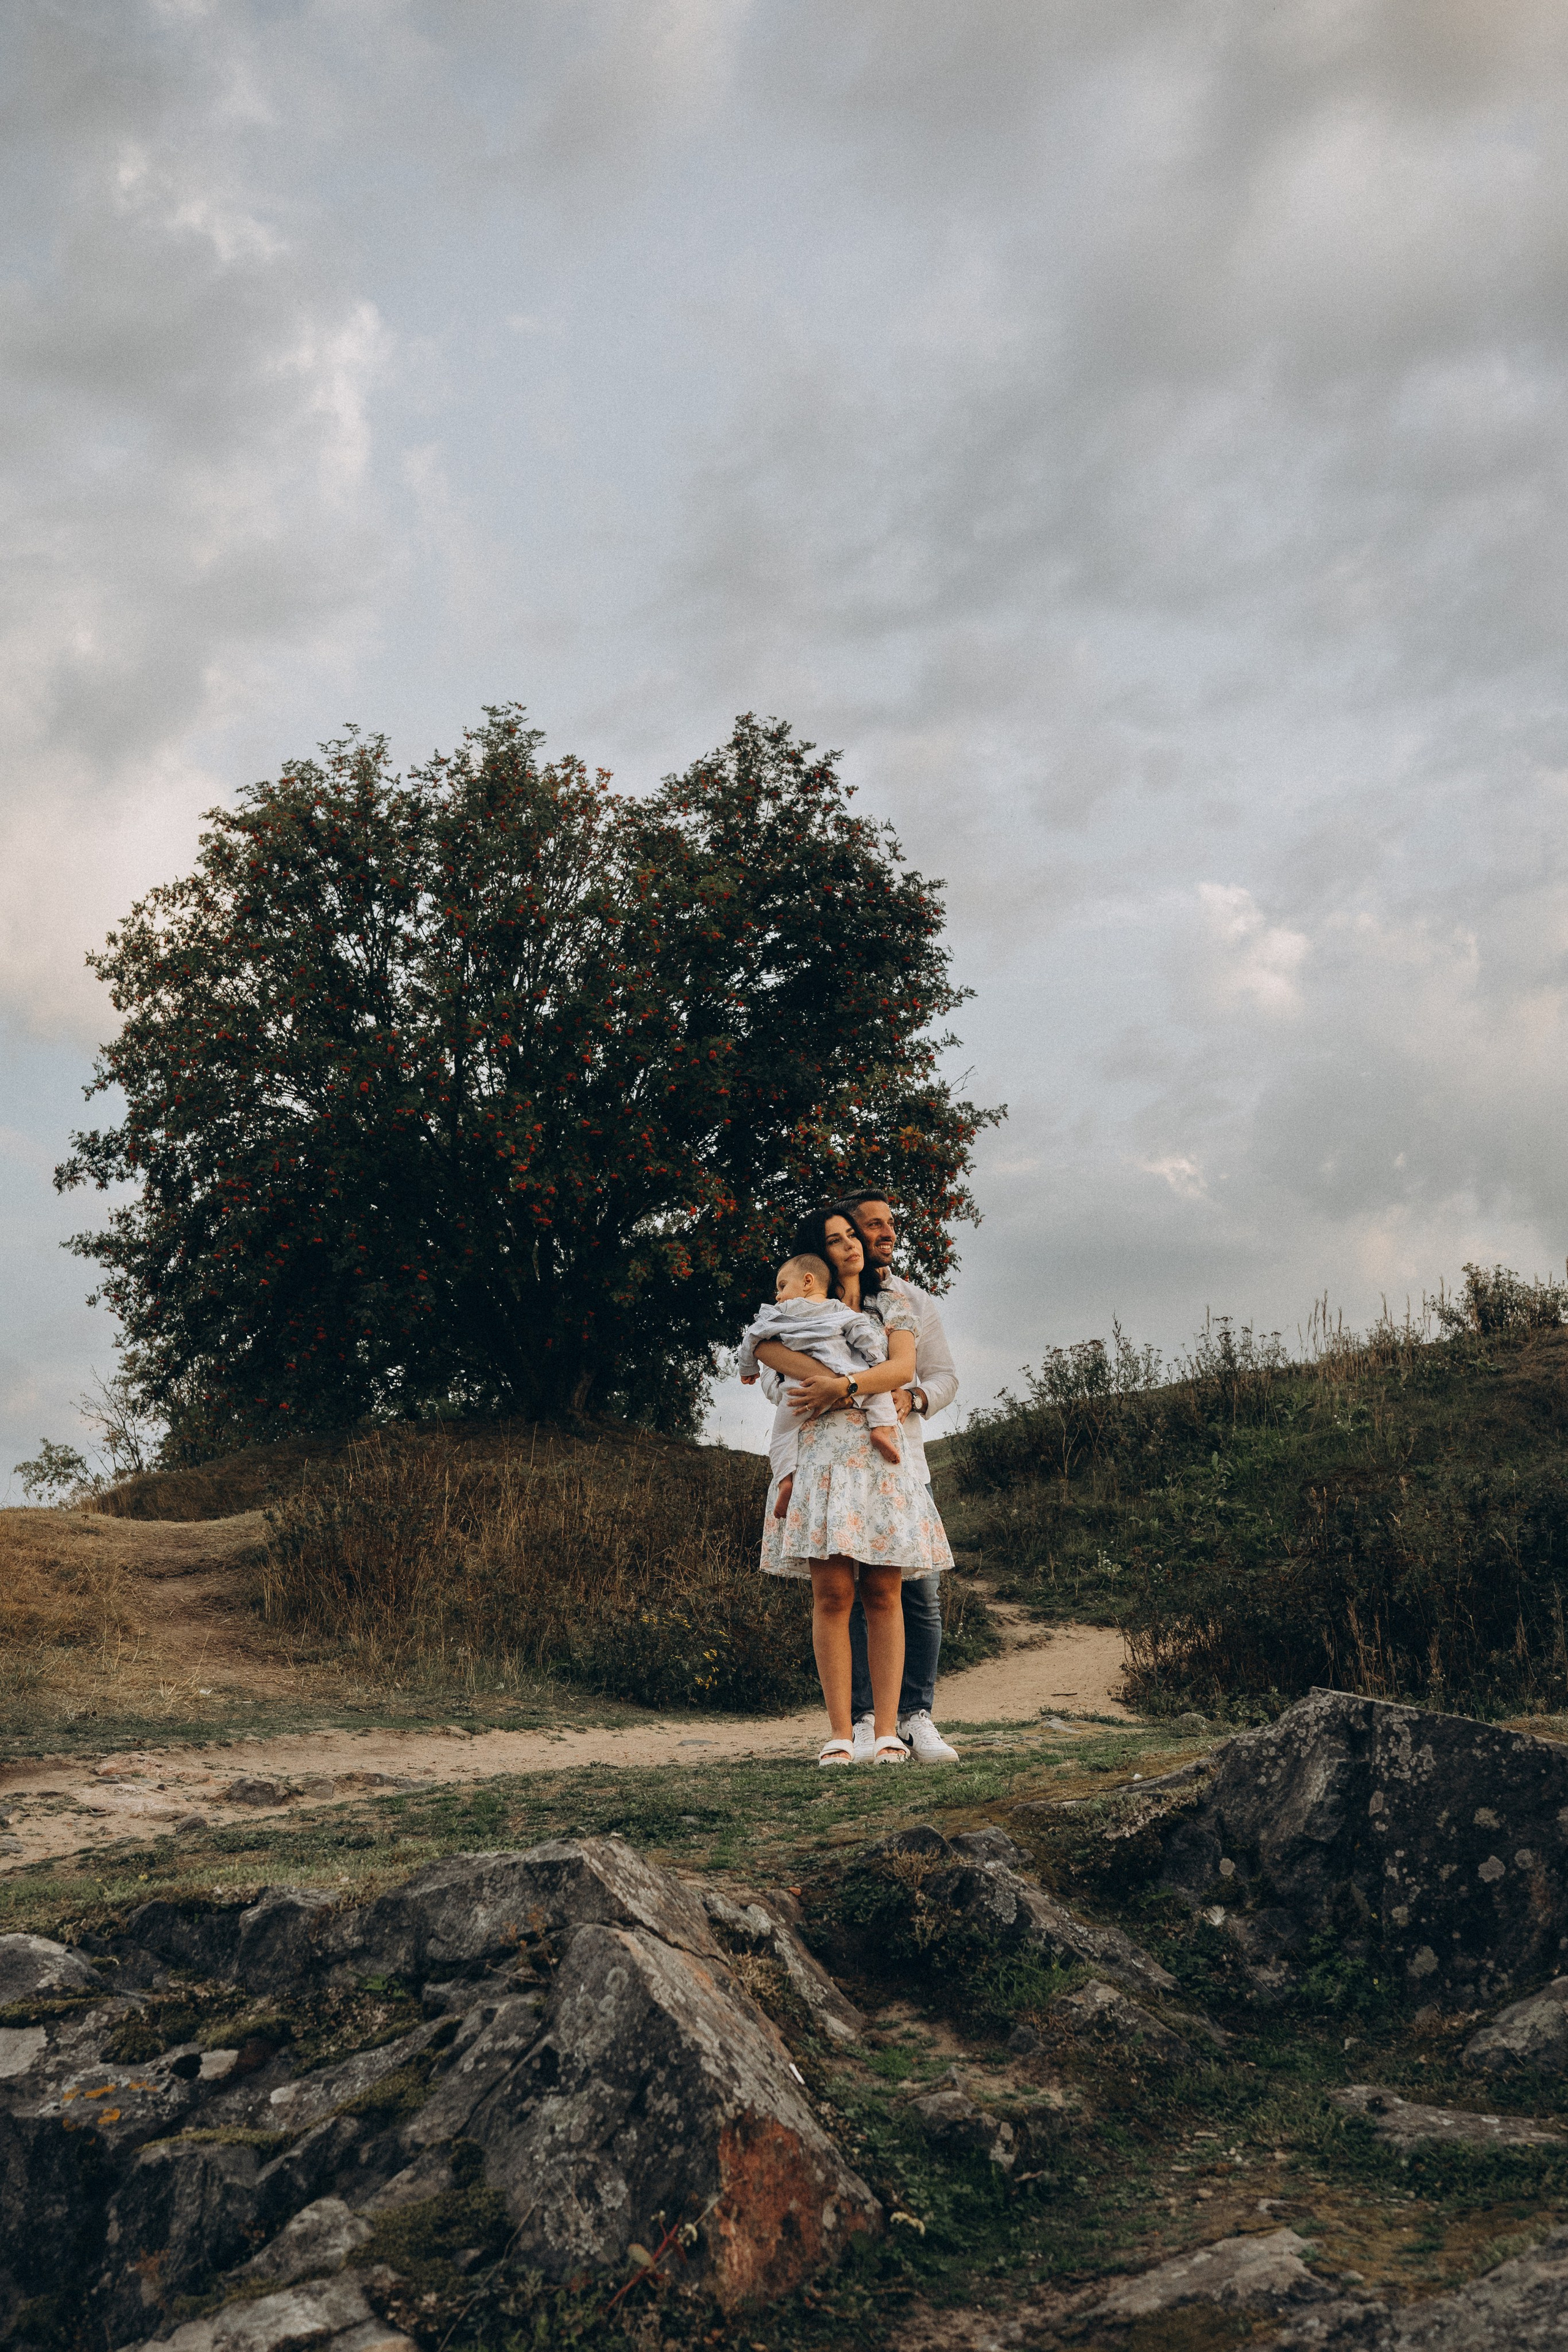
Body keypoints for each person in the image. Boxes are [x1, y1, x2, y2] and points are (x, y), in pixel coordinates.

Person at [750, 1205, 954, 1766]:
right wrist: (814, 1378)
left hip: (884, 1459)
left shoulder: (894, 1303)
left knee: (894, 1594)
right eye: (836, 1239)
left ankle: (898, 1726)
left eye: (852, 1236)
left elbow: (900, 1370)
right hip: (821, 1456)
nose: (853, 1245)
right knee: (835, 1596)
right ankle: (847, 1731)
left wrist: (838, 1385)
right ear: (817, 1255)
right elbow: (767, 1356)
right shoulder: (795, 1306)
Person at [842, 1191, 961, 1764]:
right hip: (841, 1467)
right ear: (846, 1235)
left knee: (922, 1596)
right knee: (858, 1594)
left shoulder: (915, 1301)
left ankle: (918, 1717)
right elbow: (778, 1378)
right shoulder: (822, 1300)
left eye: (890, 1222)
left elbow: (944, 1379)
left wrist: (910, 1396)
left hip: (906, 1465)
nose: (886, 1231)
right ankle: (867, 1720)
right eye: (872, 1225)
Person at [737, 1252, 900, 1525]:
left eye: (782, 1286)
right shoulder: (839, 1310)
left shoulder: (778, 1313)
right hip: (847, 1376)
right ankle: (881, 1430)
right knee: (878, 1391)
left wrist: (748, 1369)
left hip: (800, 1391)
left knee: (781, 1436)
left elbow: (751, 1338)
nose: (778, 1296)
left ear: (807, 1281)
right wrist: (876, 1360)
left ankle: (785, 1479)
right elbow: (862, 1333)